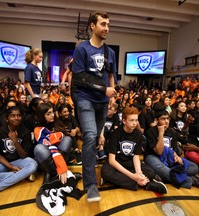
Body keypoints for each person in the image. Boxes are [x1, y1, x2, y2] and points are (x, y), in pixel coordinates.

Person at [71, 11, 117, 202]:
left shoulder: (110, 52)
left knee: (96, 138)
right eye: (103, 24)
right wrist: (103, 88)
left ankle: (91, 172)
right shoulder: (82, 49)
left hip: (103, 102)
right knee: (89, 135)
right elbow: (79, 77)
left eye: (108, 25)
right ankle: (91, 186)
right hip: (84, 98)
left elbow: (111, 76)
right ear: (92, 26)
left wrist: (112, 93)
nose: (106, 28)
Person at [145, 103, 199, 190]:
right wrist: (161, 133)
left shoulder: (172, 132)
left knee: (194, 167)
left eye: (168, 118)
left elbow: (173, 150)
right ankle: (192, 180)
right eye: (163, 119)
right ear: (156, 120)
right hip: (154, 157)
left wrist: (177, 157)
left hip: (168, 158)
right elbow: (159, 152)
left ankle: (163, 176)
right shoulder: (150, 131)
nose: (166, 121)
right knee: (160, 167)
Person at [101, 107, 168, 194]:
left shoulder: (138, 135)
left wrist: (139, 173)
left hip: (129, 162)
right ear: (124, 121)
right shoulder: (115, 134)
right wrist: (133, 176)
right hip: (116, 162)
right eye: (131, 120)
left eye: (136, 120)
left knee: (150, 172)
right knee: (106, 172)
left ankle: (134, 181)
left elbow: (136, 157)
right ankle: (146, 183)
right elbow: (112, 160)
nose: (134, 123)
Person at [34, 103, 72, 184]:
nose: (52, 115)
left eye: (52, 112)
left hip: (58, 155)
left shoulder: (57, 123)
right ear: (41, 116)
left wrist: (54, 137)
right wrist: (56, 137)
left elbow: (63, 138)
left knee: (68, 139)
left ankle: (51, 173)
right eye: (48, 114)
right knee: (39, 148)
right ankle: (55, 173)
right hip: (46, 158)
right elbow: (48, 145)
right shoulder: (38, 129)